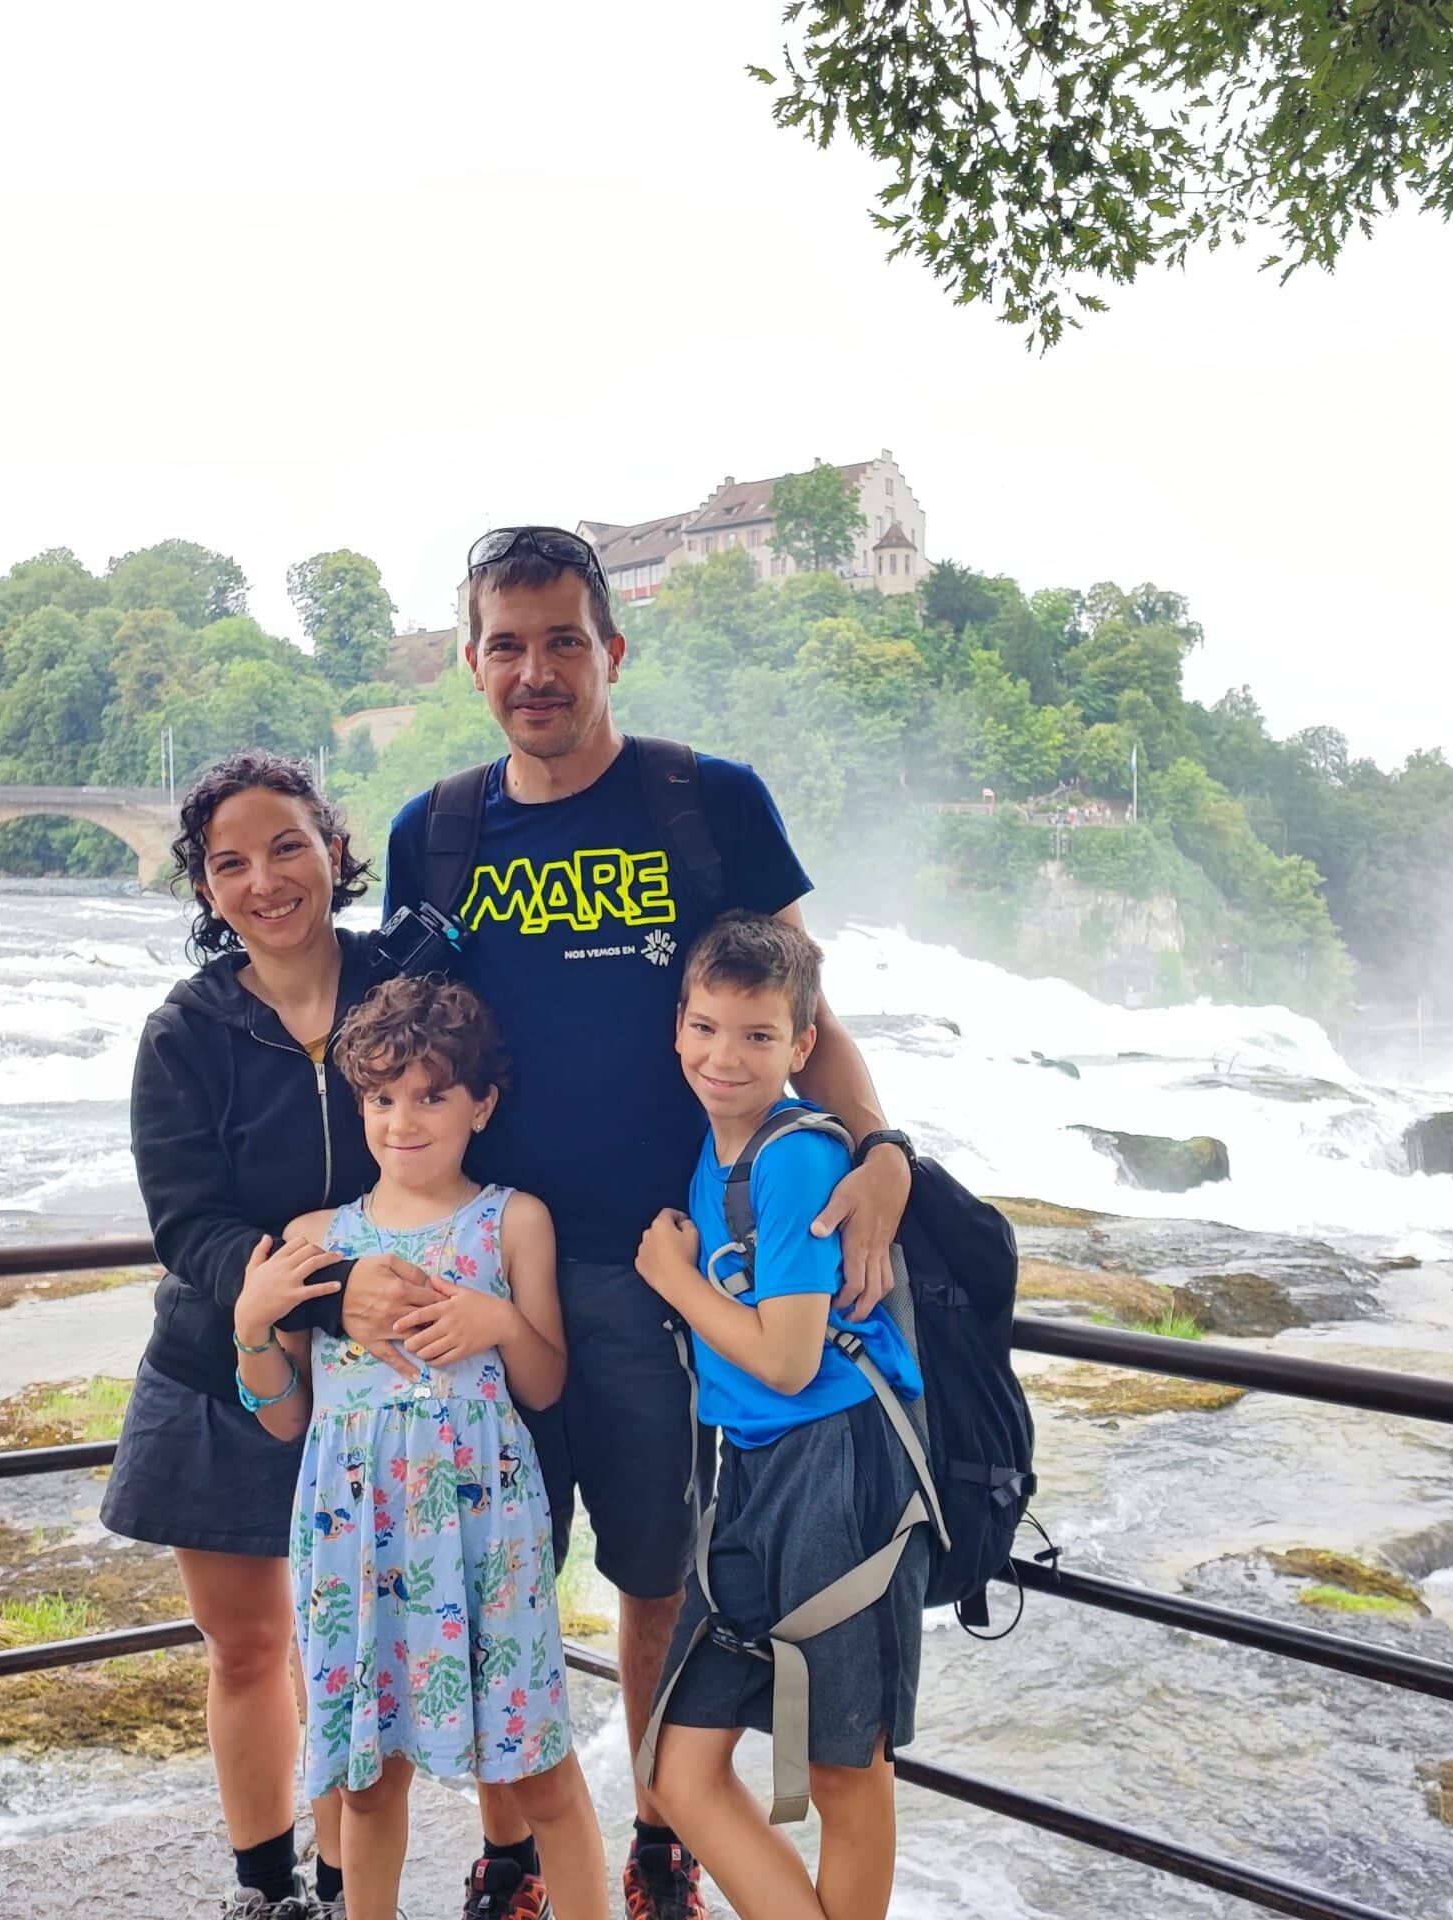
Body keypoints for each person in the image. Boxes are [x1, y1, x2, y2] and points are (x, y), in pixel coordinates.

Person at [340, 526, 914, 1920]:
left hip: (672, 1276)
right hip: (493, 1269)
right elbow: (401, 1046)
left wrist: (885, 1151)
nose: (535, 671)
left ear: (613, 649)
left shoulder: (707, 804)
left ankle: (662, 1827)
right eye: (506, 644)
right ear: (474, 659)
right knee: (498, 1566)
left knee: (659, 1566)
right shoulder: (443, 829)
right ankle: (517, 1848)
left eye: (562, 641)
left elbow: (802, 1013)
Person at [109, 749, 442, 1919]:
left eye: (286, 846)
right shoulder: (185, 1033)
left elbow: (472, 1138)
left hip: (395, 1378)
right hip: (220, 1367)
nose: (264, 880)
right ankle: (266, 1889)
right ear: (204, 889)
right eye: (230, 862)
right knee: (249, 1647)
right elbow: (187, 1224)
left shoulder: (410, 992)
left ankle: (357, 1886)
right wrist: (321, 1294)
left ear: (335, 851)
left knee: (370, 1651)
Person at [235, 976, 607, 1920]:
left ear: (481, 1104)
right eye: (383, 1096)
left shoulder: (514, 1220)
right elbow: (285, 1414)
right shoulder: (320, 1242)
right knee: (367, 1781)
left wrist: (500, 1322)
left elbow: (548, 1385)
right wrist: (250, 1323)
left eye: (433, 1095)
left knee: (538, 1765)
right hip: (357, 1537)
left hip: (489, 1535)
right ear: (359, 1102)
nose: (406, 1119)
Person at [631, 913, 927, 1920]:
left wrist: (672, 1277)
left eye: (757, 1037)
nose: (725, 1056)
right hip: (754, 1469)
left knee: (845, 1764)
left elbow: (790, 1359)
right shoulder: (716, 1152)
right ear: (678, 1028)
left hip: (839, 1466)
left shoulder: (795, 1157)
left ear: (802, 1048)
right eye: (707, 1028)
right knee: (679, 1768)